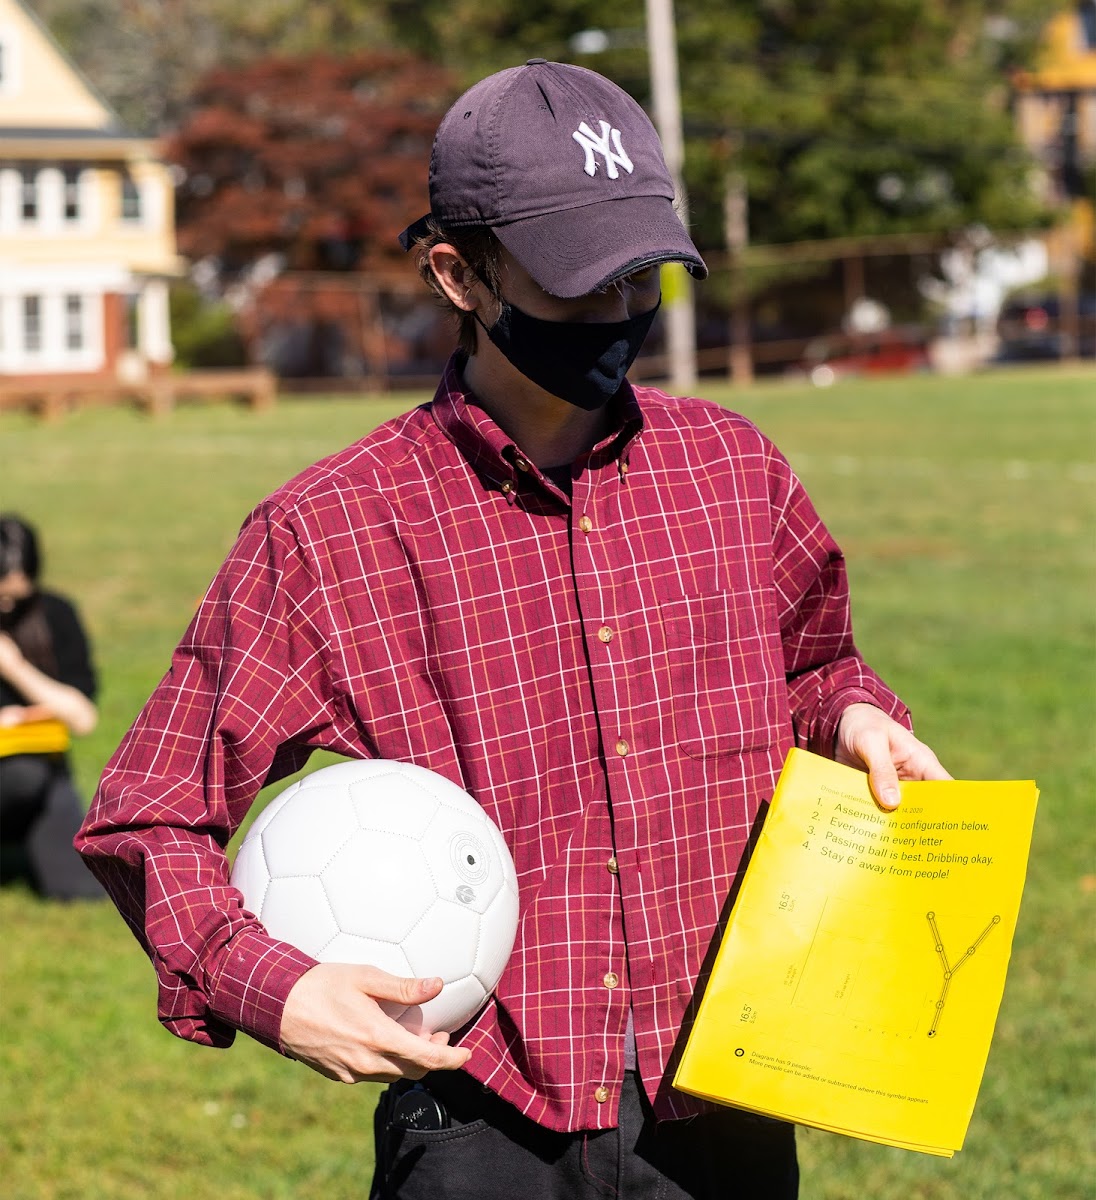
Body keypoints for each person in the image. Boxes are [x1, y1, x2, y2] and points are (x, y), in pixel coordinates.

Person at [76, 60, 949, 1197]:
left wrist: (854, 719)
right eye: (578, 284)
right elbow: (147, 813)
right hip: (479, 1127)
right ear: (458, 273)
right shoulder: (331, 530)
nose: (618, 315)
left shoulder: (735, 471)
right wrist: (272, 985)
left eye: (639, 278)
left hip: (728, 1106)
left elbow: (814, 662)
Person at [0, 514, 102, 900]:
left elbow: (83, 717)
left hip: (41, 771)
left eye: (16, 596)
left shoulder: (55, 614)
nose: (7, 604)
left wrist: (15, 669)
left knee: (81, 893)